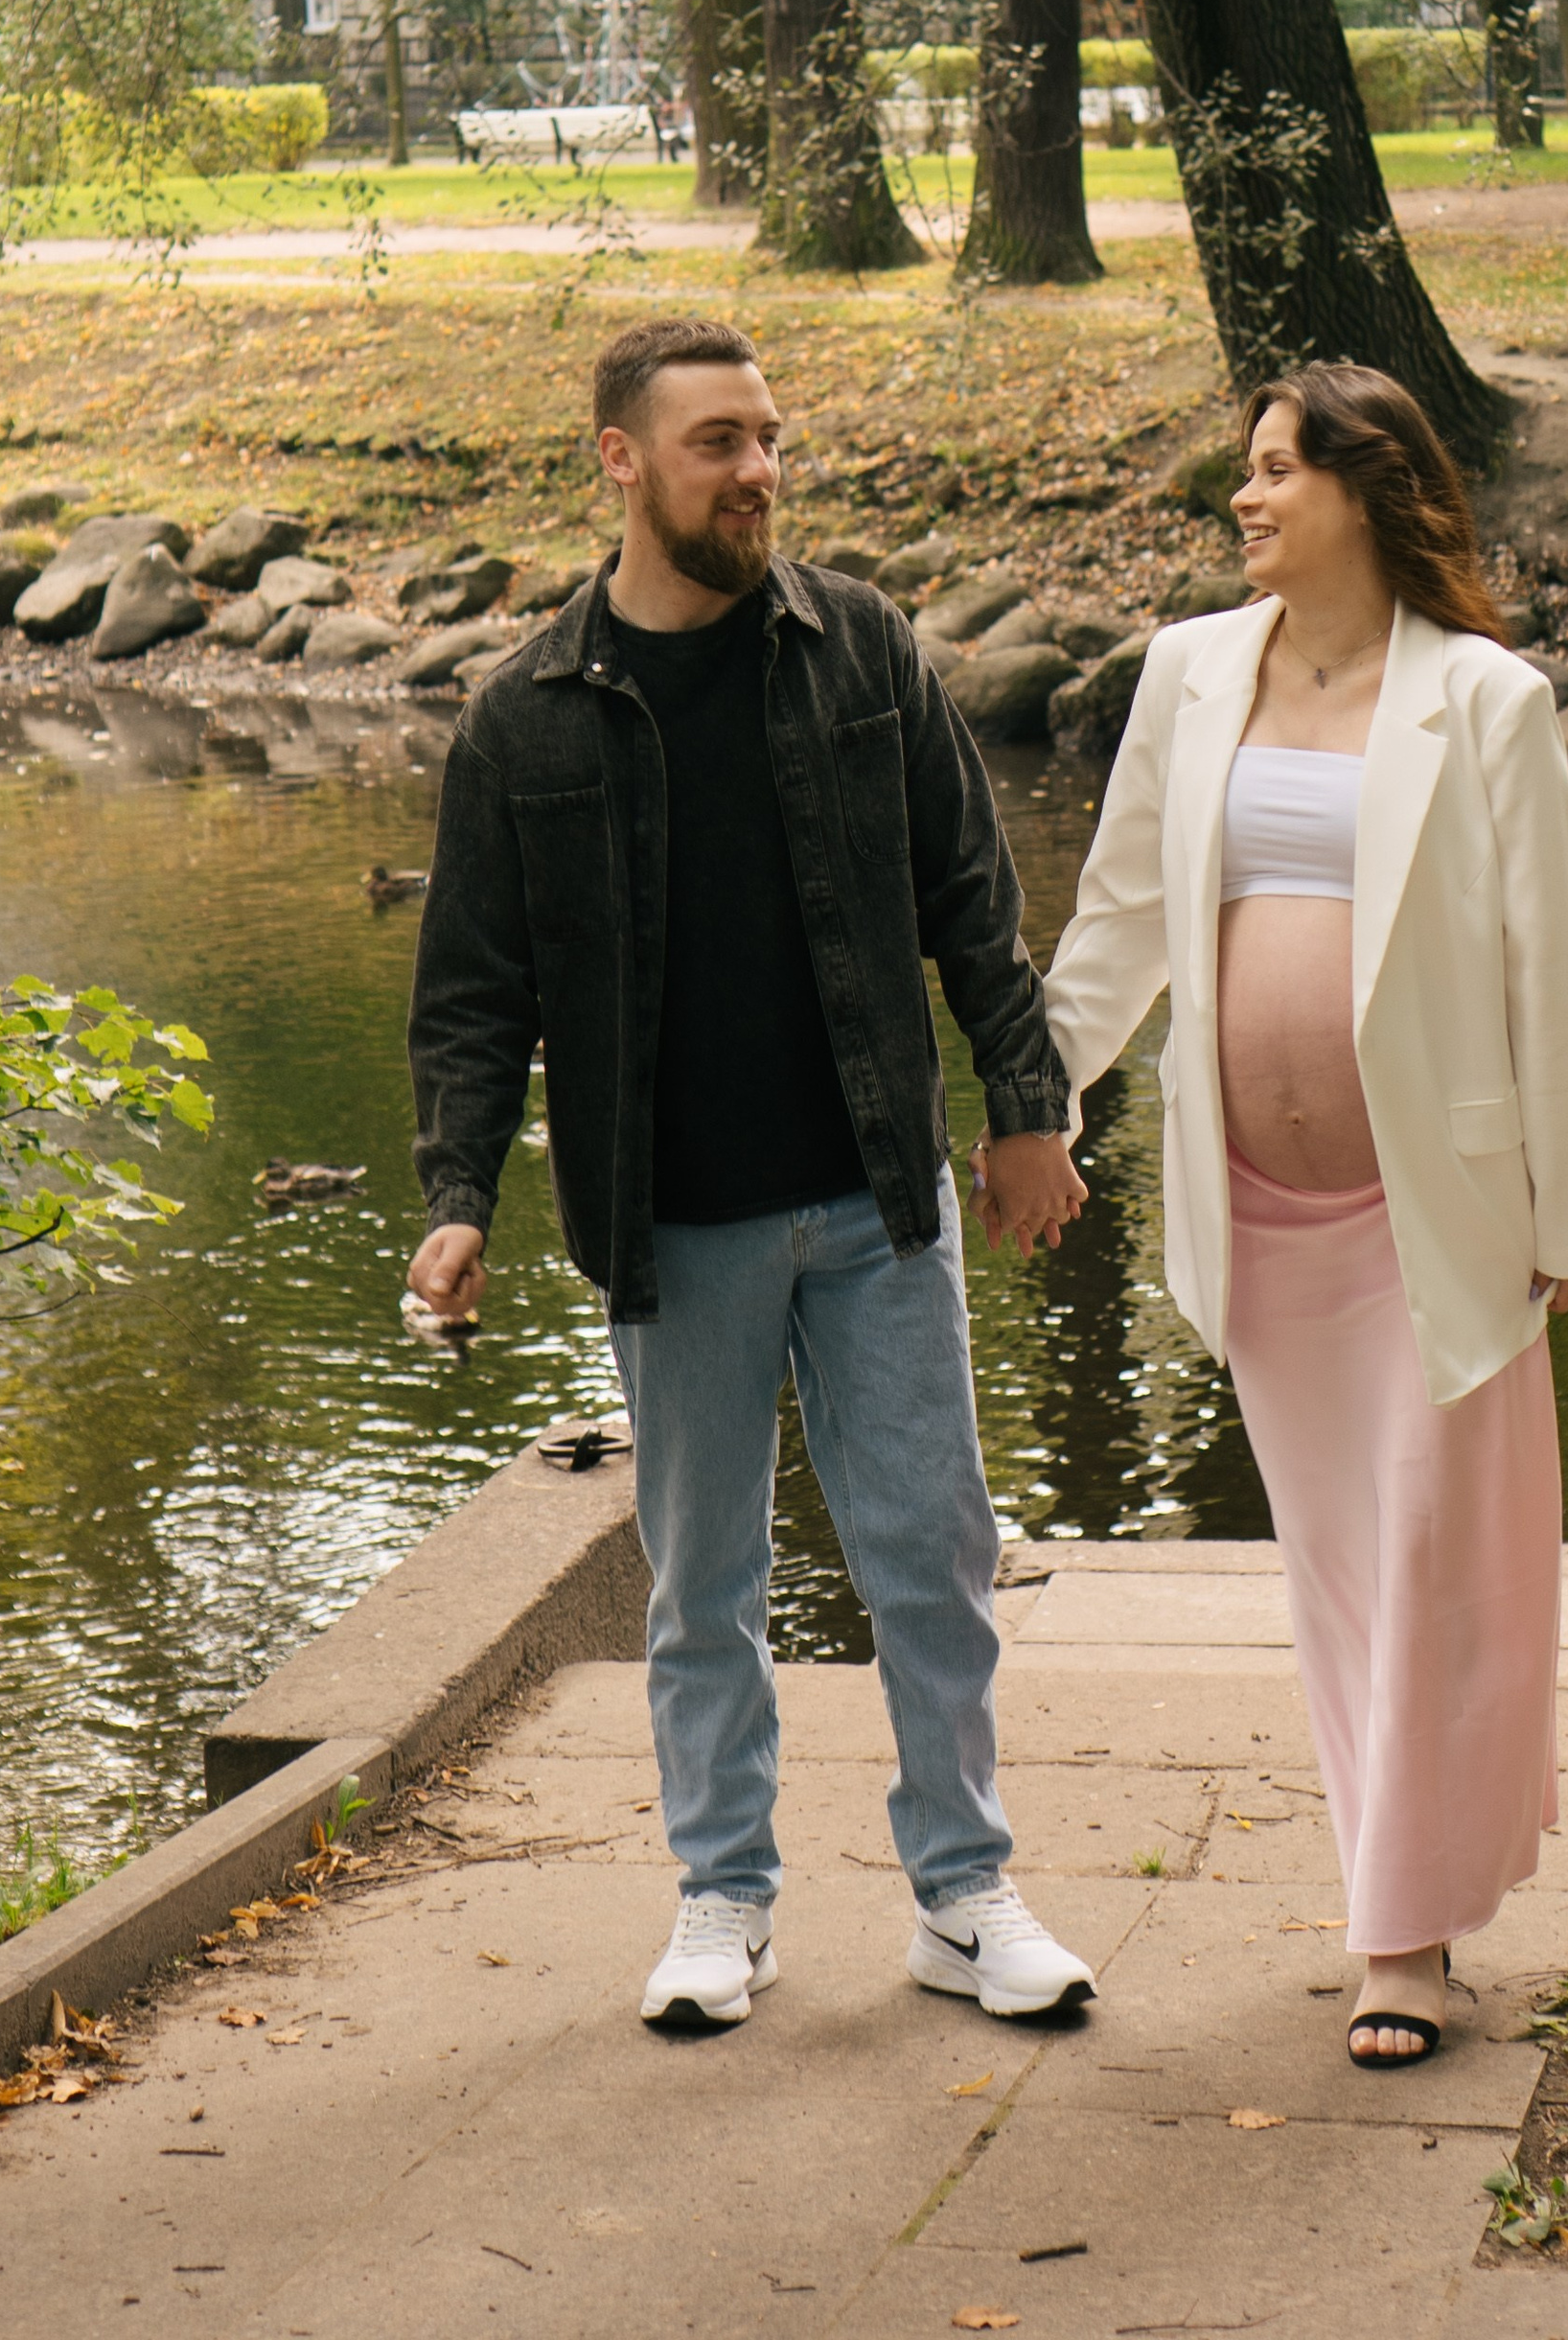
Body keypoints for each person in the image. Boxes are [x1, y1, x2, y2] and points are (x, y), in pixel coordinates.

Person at [404, 314, 1096, 2035]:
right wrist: (457, 1194)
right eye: (718, 441)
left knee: (930, 1557)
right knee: (702, 1582)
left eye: (770, 435)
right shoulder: (531, 720)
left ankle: (963, 1892)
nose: (760, 469)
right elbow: (475, 991)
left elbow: (970, 898)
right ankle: (724, 1895)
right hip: (677, 1228)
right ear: (622, 462)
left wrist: (1029, 1108)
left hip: (875, 1201)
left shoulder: (854, 646)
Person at [1044, 362, 1568, 2067]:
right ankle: (1401, 1888)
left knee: (1439, 1563)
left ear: (1368, 491)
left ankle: (1405, 1942)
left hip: (1430, 1207)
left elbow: (1553, 978)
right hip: (1259, 1211)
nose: (1248, 498)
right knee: (1339, 1577)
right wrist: (1037, 1098)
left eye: (1279, 470)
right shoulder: (1186, 674)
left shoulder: (1485, 702)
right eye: (1249, 469)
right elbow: (1127, 919)